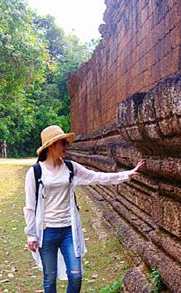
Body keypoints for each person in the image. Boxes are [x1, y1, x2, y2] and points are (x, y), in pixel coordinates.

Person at [23, 125, 143, 293]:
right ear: (51, 146)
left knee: (76, 275)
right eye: (63, 143)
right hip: (47, 231)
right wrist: (31, 235)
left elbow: (97, 176)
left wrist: (126, 174)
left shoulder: (71, 168)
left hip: (68, 231)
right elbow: (30, 206)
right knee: (49, 278)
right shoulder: (35, 172)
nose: (67, 146)